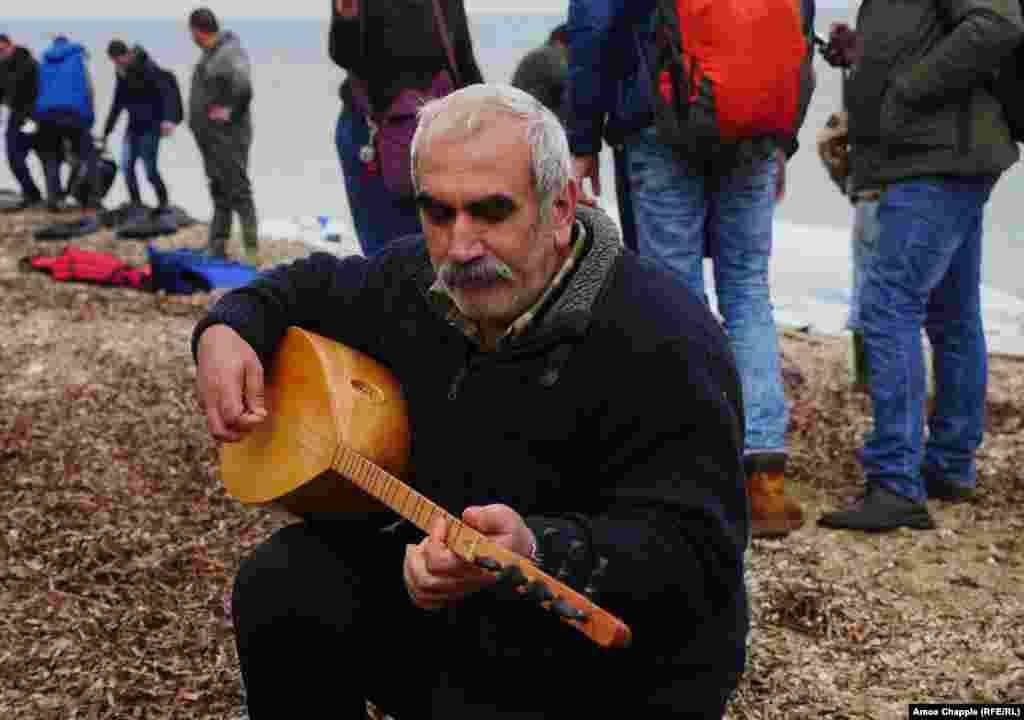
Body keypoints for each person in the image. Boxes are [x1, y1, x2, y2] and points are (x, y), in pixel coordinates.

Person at [193, 84, 749, 719]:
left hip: (610, 661)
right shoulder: (415, 282)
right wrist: (226, 331)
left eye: (491, 212)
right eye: (437, 213)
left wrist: (539, 547)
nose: (459, 246)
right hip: (451, 609)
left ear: (562, 206)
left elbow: (699, 557)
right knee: (283, 584)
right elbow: (304, 287)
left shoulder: (665, 337)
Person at [568, 0, 817, 538]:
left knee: (675, 296)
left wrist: (581, 138)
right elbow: (801, 28)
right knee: (748, 291)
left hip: (660, 119)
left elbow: (593, 25)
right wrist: (782, 137)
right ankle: (765, 476)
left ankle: (695, 458)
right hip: (755, 123)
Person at [818, 0, 1024, 532]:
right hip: (938, 157)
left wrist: (908, 87)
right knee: (951, 314)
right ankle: (949, 464)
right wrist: (868, 60)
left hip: (934, 161)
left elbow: (997, 24)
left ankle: (895, 484)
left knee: (888, 307)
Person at [328, 0, 483, 257]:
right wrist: (347, 17)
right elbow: (345, 54)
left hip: (437, 137)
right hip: (374, 139)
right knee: (389, 262)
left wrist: (489, 123)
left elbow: (463, 63)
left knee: (443, 256)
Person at [187, 7, 258, 262]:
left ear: (197, 30)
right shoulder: (210, 55)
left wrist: (231, 112)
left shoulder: (228, 52)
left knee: (239, 191)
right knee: (219, 190)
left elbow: (244, 87)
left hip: (230, 137)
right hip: (211, 138)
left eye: (192, 32)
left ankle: (252, 252)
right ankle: (217, 247)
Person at [101, 39, 176, 221]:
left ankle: (164, 203)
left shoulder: (146, 66)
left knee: (150, 170)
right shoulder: (121, 74)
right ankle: (136, 203)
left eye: (119, 59)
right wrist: (106, 130)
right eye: (114, 61)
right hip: (133, 127)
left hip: (151, 126)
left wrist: (168, 119)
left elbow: (167, 92)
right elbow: (117, 103)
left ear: (126, 54)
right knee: (127, 166)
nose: (117, 63)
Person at [34, 34, 101, 221]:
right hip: (74, 115)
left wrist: (39, 116)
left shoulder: (44, 61)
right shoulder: (77, 59)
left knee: (52, 157)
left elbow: (38, 89)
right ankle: (94, 199)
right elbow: (88, 90)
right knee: (89, 156)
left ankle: (53, 200)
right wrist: (90, 118)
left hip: (48, 116)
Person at [0, 33, 44, 211]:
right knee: (13, 156)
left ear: (10, 45)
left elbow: (26, 87)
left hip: (34, 113)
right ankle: (31, 193)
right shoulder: (2, 66)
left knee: (46, 154)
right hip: (16, 115)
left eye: (2, 49)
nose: (0, 53)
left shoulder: (28, 62)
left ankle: (53, 196)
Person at [510, 23, 569, 124]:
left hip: (524, 112)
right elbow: (568, 79)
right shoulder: (547, 54)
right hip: (527, 115)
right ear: (559, 43)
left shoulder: (544, 53)